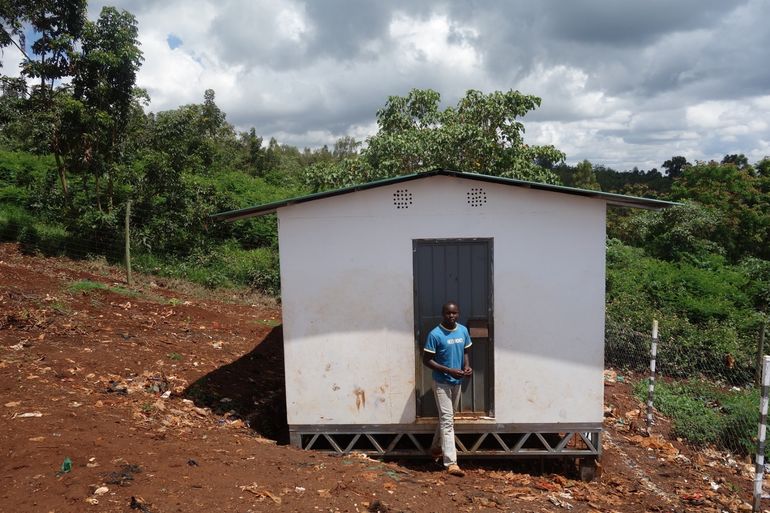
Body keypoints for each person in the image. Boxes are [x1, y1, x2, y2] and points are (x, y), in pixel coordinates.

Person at [422, 301, 472, 477]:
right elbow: (427, 360)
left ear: (458, 314)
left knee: (447, 418)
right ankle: (451, 463)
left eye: (455, 313)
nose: (452, 316)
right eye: (448, 313)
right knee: (448, 420)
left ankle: (436, 448)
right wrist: (448, 370)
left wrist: (467, 366)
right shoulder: (435, 334)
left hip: (457, 382)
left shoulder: (463, 331)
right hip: (441, 383)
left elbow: (466, 351)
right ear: (442, 314)